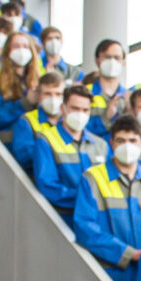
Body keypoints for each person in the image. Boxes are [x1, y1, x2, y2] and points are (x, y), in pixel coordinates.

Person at [72, 113, 141, 281]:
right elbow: (85, 229)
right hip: (108, 276)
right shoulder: (93, 179)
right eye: (121, 140)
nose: (127, 146)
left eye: (132, 140)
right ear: (111, 143)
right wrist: (128, 253)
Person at [20, 82, 105, 218]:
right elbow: (48, 186)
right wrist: (86, 200)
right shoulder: (46, 141)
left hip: (96, 219)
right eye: (75, 108)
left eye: (85, 110)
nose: (80, 114)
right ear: (62, 108)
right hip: (63, 218)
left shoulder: (101, 145)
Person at [0, 29, 41, 142]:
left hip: (33, 143)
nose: (21, 50)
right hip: (6, 143)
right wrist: (25, 103)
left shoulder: (39, 81)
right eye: (16, 46)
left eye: (25, 46)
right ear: (7, 51)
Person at [81, 39, 128, 133]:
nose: (112, 62)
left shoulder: (128, 97)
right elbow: (79, 128)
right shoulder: (84, 93)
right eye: (107, 57)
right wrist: (105, 117)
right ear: (97, 60)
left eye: (117, 58)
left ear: (123, 62)